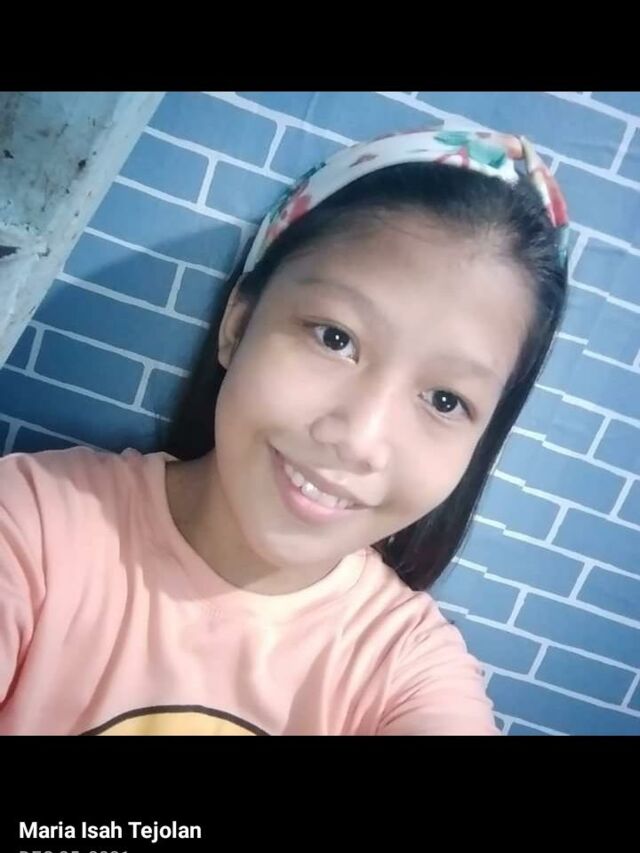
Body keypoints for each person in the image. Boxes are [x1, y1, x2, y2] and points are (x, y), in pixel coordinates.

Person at [0, 128, 569, 735]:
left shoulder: (407, 669)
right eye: (335, 338)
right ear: (237, 324)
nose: (360, 438)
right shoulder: (32, 529)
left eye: (445, 400)